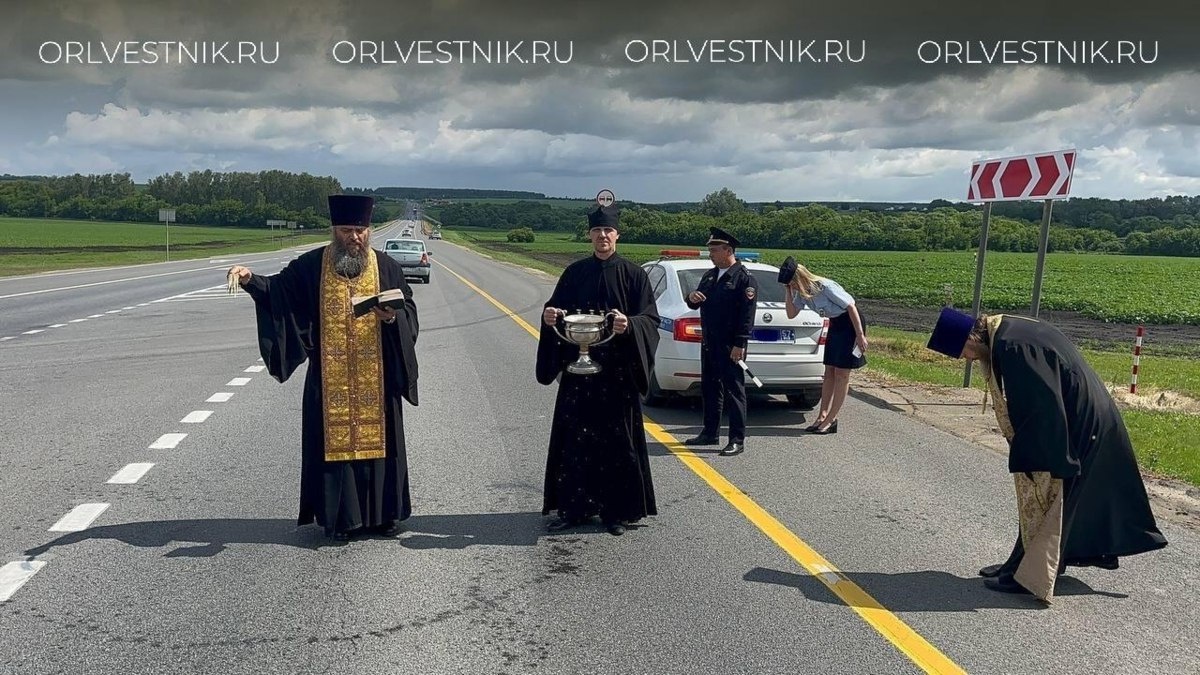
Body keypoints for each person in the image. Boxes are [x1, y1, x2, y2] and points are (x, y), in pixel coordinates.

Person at [927, 308, 1168, 601]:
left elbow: (1042, 407)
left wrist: (1045, 457)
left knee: (1049, 499)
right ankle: (1023, 565)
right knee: (1046, 502)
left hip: (1078, 424)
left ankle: (1028, 575)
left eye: (964, 353)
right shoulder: (1008, 331)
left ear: (971, 338)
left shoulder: (1014, 346)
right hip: (1076, 415)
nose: (968, 359)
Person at [228, 194, 420, 544]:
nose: (354, 237)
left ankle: (384, 516)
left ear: (368, 231)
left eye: (360, 231)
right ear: (335, 230)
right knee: (333, 448)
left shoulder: (387, 267)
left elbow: (408, 309)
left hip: (376, 377)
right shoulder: (312, 265)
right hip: (329, 378)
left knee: (382, 445)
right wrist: (249, 279)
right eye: (347, 230)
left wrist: (393, 319)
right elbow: (278, 292)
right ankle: (341, 518)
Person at [537, 202, 660, 536]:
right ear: (589, 235)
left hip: (617, 375)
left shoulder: (634, 275)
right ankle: (573, 508)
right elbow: (557, 311)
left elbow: (650, 319)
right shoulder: (575, 273)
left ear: (617, 235)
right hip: (578, 375)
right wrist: (549, 316)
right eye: (596, 231)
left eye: (608, 230)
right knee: (574, 441)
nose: (602, 236)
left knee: (617, 444)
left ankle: (616, 512)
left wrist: (629, 325)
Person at [682, 227, 759, 456]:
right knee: (710, 387)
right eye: (710, 250)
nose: (711, 255)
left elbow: (747, 315)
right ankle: (710, 432)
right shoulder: (710, 275)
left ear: (728, 250)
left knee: (734, 391)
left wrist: (740, 344)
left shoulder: (744, 278)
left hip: (730, 345)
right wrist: (691, 298)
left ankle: (736, 439)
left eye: (714, 250)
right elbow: (695, 301)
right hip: (710, 341)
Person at [778, 257, 868, 434]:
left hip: (850, 324)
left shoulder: (825, 286)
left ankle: (831, 419)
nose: (793, 287)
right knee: (829, 372)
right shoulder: (801, 293)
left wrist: (860, 335)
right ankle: (822, 415)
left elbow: (851, 307)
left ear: (799, 278)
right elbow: (791, 314)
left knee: (842, 374)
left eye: (792, 284)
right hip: (835, 325)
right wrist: (788, 292)